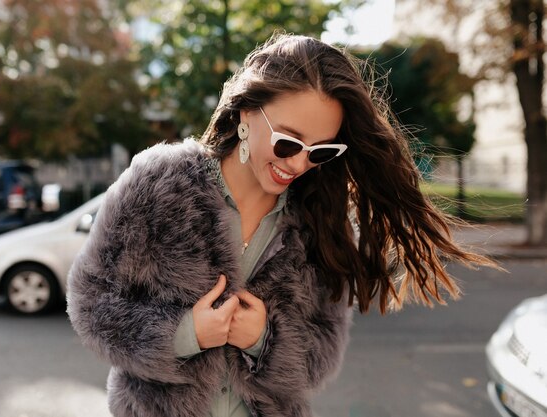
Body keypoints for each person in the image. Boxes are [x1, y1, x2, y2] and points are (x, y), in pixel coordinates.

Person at [66, 33, 494, 417]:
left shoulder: (320, 221)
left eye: (321, 151)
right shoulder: (158, 182)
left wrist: (262, 340)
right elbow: (90, 302)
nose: (299, 163)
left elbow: (322, 354)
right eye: (288, 141)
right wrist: (184, 334)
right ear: (247, 114)